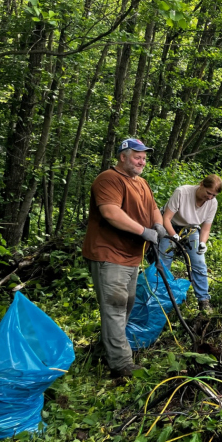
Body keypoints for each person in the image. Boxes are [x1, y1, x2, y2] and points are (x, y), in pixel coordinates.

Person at [82, 139, 167, 378]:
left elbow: (152, 209)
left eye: (144, 158)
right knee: (115, 306)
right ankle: (121, 365)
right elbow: (110, 212)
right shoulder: (109, 179)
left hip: (130, 256)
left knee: (126, 305)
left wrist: (158, 225)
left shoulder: (141, 183)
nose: (142, 162)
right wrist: (143, 232)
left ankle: (102, 351)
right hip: (108, 253)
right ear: (123, 156)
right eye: (137, 157)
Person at [159, 175, 222, 313]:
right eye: (208, 193)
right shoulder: (182, 192)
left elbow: (206, 228)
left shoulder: (213, 203)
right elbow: (166, 218)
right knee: (164, 259)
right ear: (201, 185)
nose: (210, 197)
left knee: (199, 262)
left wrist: (202, 243)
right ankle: (159, 295)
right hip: (170, 225)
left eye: (214, 195)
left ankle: (203, 300)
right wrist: (173, 236)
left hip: (191, 229)